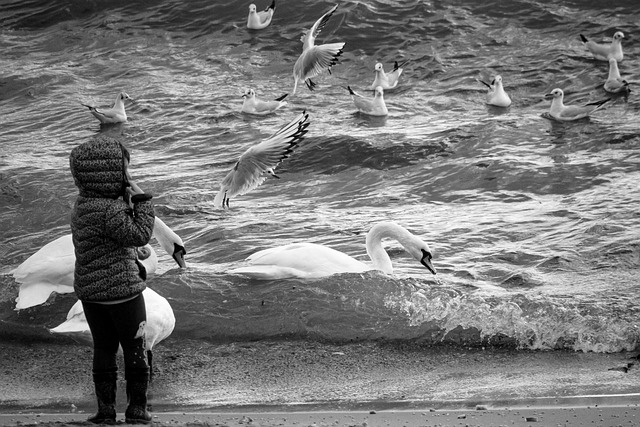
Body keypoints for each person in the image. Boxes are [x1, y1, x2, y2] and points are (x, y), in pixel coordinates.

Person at [69, 135, 155, 424]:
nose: (127, 177)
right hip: (123, 293)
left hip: (91, 293)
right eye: (125, 171)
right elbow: (140, 234)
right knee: (135, 346)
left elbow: (107, 242)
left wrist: (131, 250)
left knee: (104, 347)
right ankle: (137, 409)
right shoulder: (111, 210)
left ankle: (105, 411)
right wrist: (141, 201)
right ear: (111, 174)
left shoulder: (82, 206)